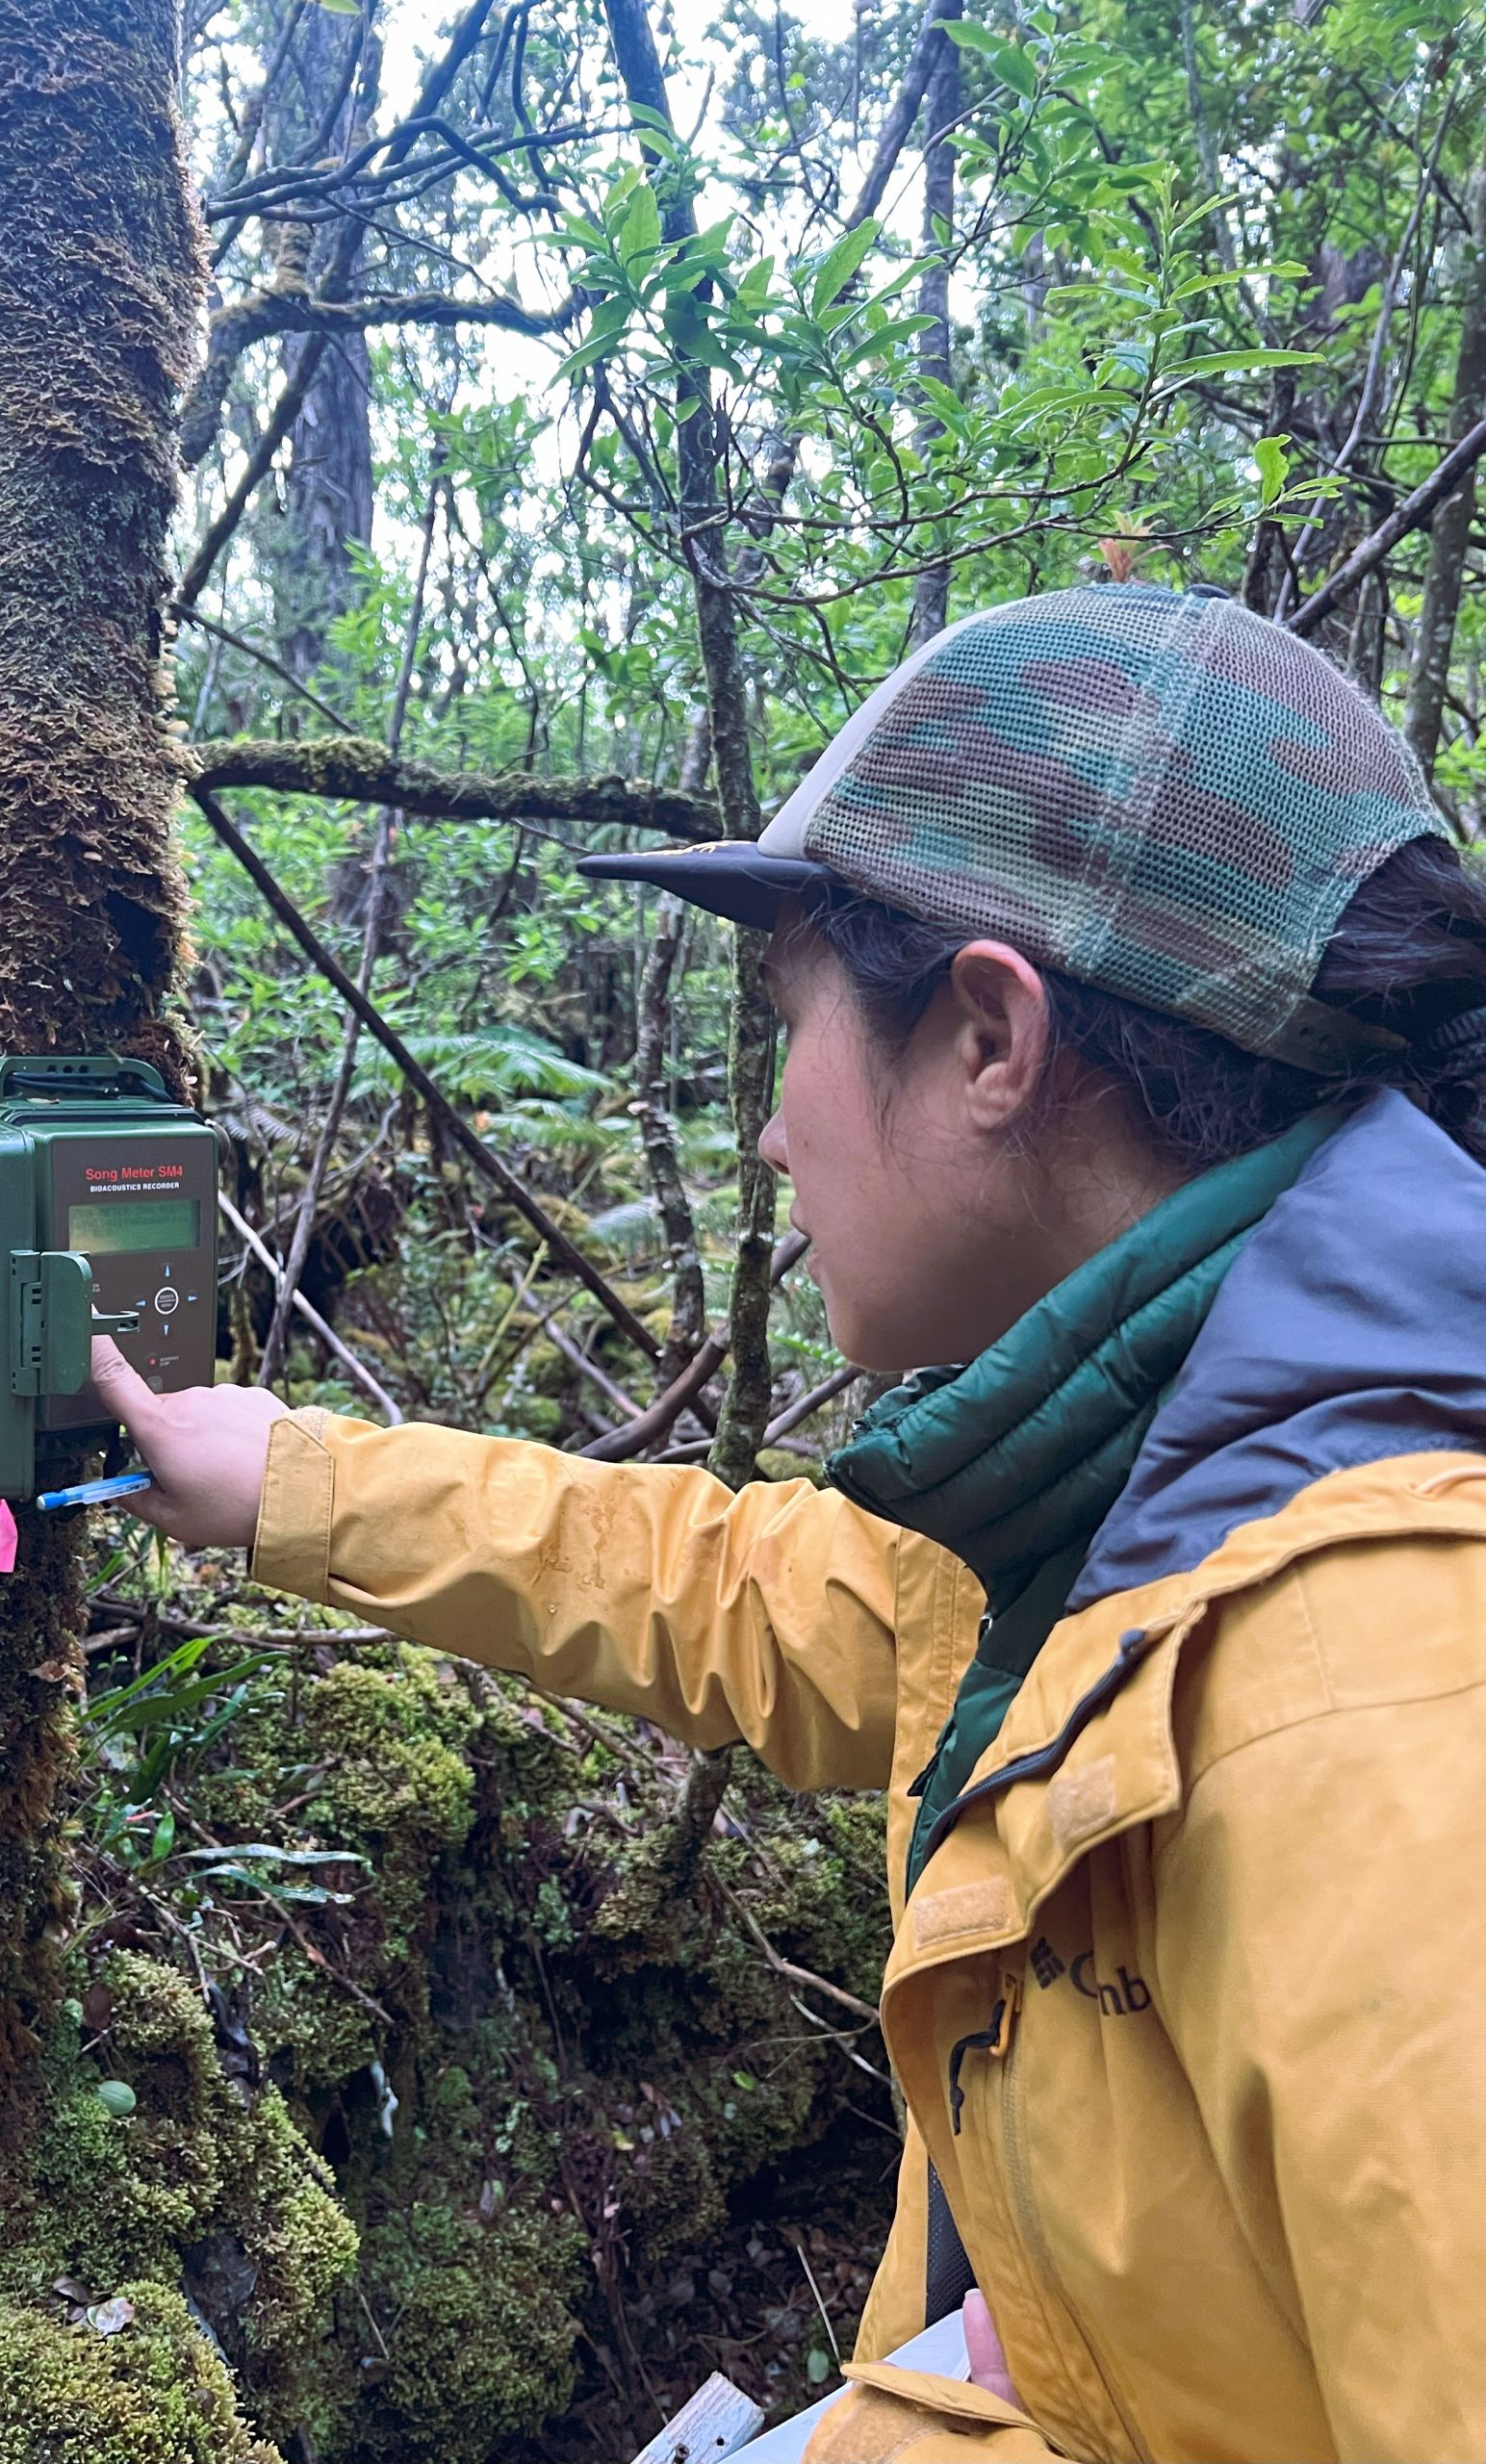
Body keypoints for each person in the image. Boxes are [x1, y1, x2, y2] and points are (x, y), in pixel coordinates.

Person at [90, 582, 1486, 2464]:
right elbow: (736, 1592)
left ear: (991, 1034)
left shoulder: (1387, 1722)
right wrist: (283, 1472)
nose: (766, 1131)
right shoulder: (1132, 1501)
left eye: (787, 1022)